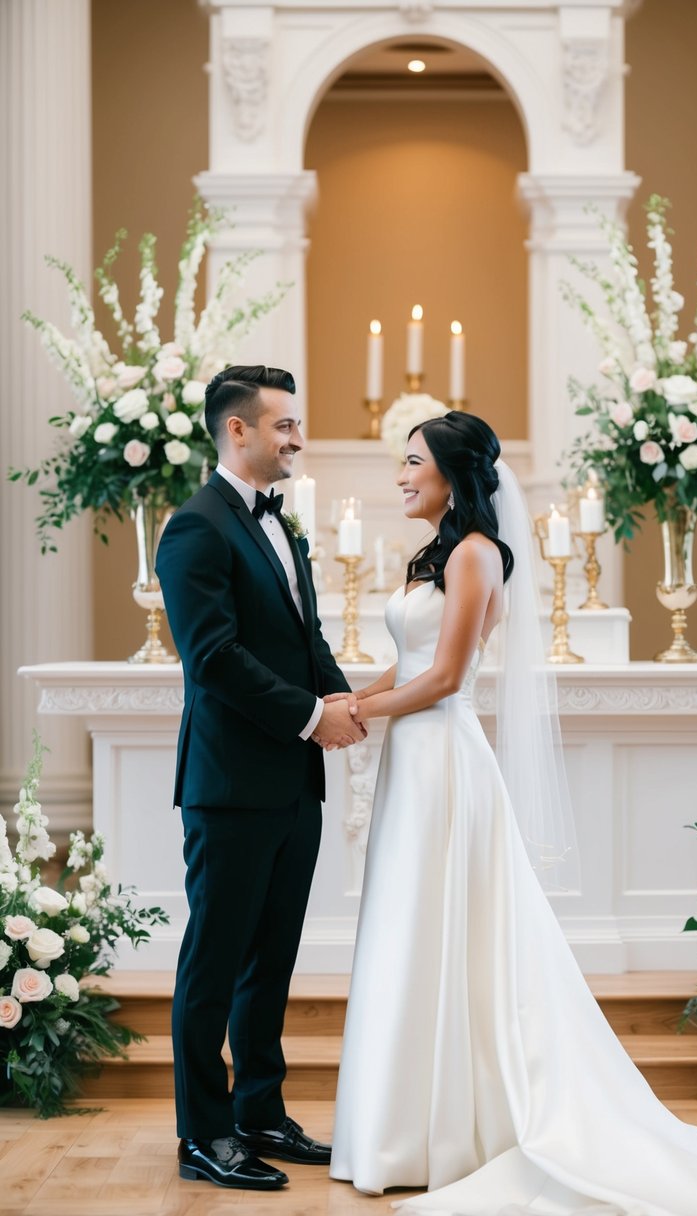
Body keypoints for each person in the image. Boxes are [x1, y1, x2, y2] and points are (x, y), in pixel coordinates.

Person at [329, 411, 697, 1215]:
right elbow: (412, 658)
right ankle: (402, 1126)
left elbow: (449, 677)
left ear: (452, 473)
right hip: (410, 759)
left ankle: (445, 1132)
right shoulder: (438, 557)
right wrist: (356, 696)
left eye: (412, 461)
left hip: (443, 761)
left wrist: (364, 713)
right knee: (406, 923)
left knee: (438, 920)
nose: (399, 475)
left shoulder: (474, 554)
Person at [156, 364, 364, 1192]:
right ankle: (203, 1134)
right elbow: (213, 660)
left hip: (291, 783)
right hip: (231, 784)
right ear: (237, 430)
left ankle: (260, 1113)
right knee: (213, 964)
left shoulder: (284, 525)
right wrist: (313, 717)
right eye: (283, 426)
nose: (296, 439)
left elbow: (302, 638)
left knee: (271, 959)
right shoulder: (194, 528)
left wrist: (344, 695)